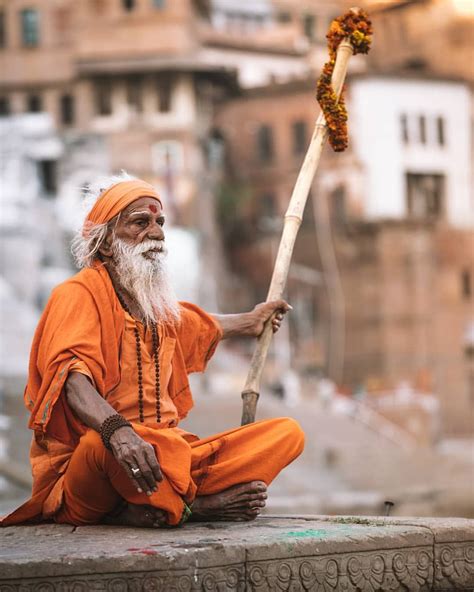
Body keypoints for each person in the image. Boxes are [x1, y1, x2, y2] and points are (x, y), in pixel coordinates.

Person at [1, 174, 305, 529]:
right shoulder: (76, 294)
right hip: (98, 467)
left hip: (163, 456)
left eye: (159, 222)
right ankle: (196, 507)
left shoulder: (155, 306)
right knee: (98, 448)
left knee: (286, 434)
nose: (157, 233)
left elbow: (199, 324)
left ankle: (160, 502)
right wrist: (119, 432)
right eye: (140, 223)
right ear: (107, 243)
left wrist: (251, 321)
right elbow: (72, 382)